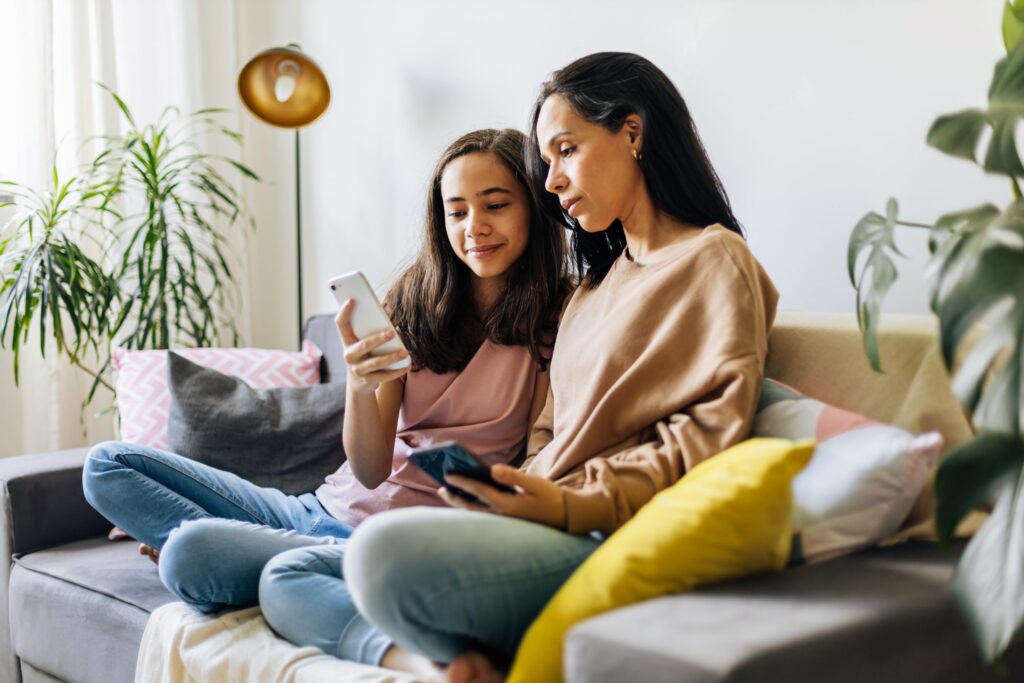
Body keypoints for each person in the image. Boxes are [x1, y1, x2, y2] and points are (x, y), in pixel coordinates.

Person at [339, 52, 780, 683]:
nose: (550, 182)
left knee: (376, 557)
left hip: (588, 530)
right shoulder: (591, 291)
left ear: (632, 132)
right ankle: (463, 659)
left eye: (565, 151)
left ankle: (444, 652)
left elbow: (705, 440)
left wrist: (565, 505)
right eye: (546, 163)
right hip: (534, 515)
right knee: (294, 572)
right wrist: (507, 492)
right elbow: (547, 433)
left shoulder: (714, 259)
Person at [81, 127, 571, 678]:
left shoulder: (560, 319)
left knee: (187, 554)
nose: (474, 228)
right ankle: (266, 553)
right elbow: (366, 470)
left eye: (496, 206)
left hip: (401, 542)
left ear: (534, 204)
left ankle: (263, 561)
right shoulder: (411, 301)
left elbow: (540, 459)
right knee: (105, 466)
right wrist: (362, 385)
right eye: (455, 212)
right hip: (316, 512)